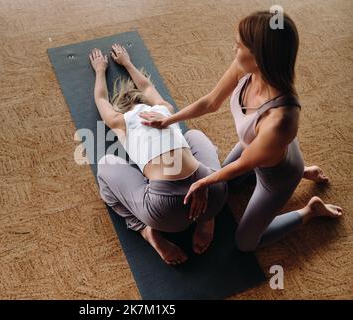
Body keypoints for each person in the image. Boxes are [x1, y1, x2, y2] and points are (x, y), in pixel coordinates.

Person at [139, 11, 343, 252]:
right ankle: (307, 171)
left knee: (245, 243)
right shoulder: (244, 67)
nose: (234, 50)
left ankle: (309, 210)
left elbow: (244, 163)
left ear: (259, 56)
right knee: (226, 189)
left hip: (276, 177)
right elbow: (210, 102)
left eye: (238, 46)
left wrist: (202, 183)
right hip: (257, 147)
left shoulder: (281, 120)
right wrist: (168, 120)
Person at [90, 44, 227, 265]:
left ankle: (146, 231)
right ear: (144, 103)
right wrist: (127, 62)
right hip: (214, 193)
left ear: (121, 110)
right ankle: (207, 218)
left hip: (164, 214)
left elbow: (101, 99)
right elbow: (146, 86)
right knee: (194, 135)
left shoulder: (120, 122)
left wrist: (99, 70)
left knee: (106, 165)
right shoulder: (164, 109)